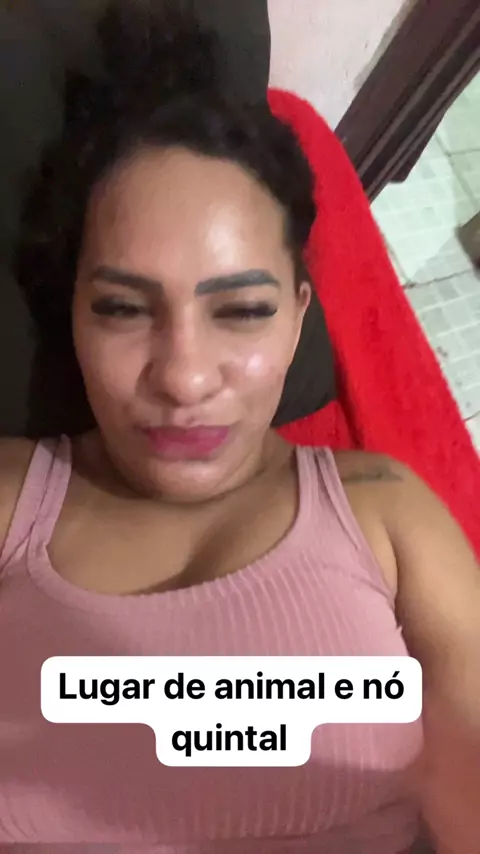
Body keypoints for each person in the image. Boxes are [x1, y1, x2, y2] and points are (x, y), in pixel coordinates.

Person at [0, 3, 479, 852]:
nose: (184, 378)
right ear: (70, 315)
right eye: (122, 308)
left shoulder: (386, 509)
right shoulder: (10, 502)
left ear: (298, 319)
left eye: (243, 310)